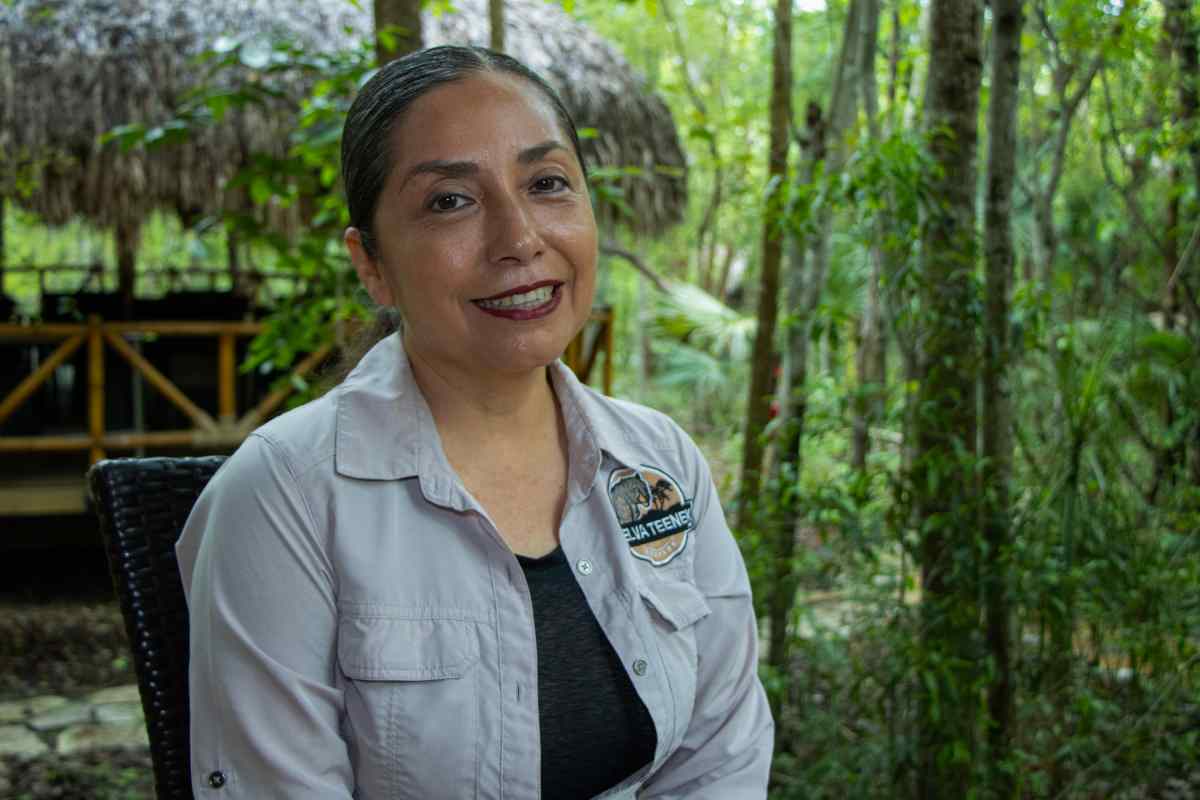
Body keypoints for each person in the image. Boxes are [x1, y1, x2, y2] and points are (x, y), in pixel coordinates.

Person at [176, 45, 773, 799]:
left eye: (548, 184)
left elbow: (722, 753)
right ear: (373, 266)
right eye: (450, 201)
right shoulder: (282, 499)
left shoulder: (659, 462)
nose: (520, 239)